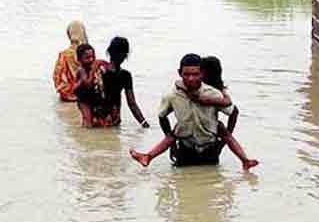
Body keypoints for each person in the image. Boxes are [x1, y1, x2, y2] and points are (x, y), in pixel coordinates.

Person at [129, 54, 258, 170]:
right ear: (180, 73)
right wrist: (172, 143)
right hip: (185, 150)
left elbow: (232, 111)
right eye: (187, 74)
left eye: (195, 74)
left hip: (209, 149)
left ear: (202, 74)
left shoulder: (213, 93)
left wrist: (222, 141)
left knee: (211, 186)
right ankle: (148, 156)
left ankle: (245, 160)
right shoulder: (172, 96)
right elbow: (162, 116)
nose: (191, 79)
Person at [90, 37, 150, 128]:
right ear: (126, 56)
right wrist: (143, 123)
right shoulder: (125, 75)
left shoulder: (98, 68)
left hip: (95, 118)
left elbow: (86, 92)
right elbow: (132, 103)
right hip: (113, 120)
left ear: (109, 51)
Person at [53, 20, 89, 102]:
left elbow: (57, 78)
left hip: (67, 95)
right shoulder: (89, 52)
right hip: (85, 95)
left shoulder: (63, 55)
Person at [72, 43, 102, 127]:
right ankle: (84, 137)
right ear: (79, 59)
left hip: (90, 96)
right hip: (83, 99)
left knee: (93, 120)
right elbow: (88, 84)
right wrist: (93, 71)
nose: (91, 60)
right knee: (88, 121)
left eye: (93, 57)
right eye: (87, 58)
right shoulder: (82, 70)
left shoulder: (91, 68)